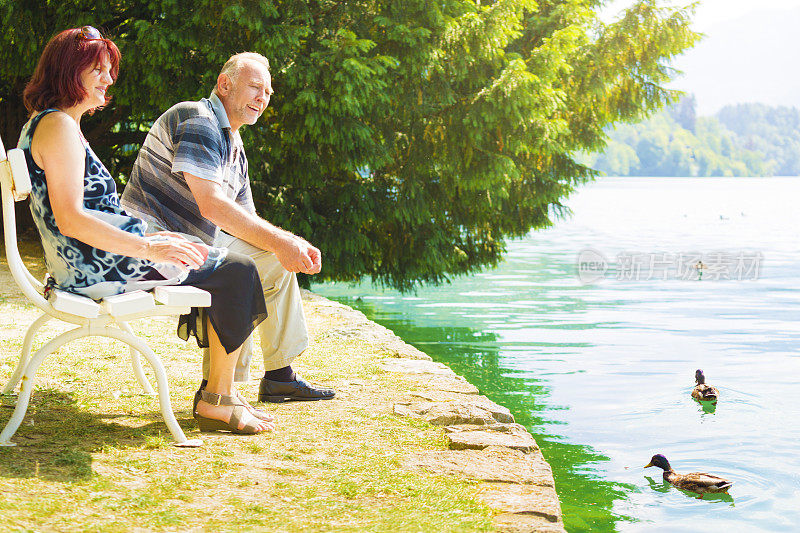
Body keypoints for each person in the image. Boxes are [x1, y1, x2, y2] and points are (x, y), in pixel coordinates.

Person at [18, 26, 273, 435]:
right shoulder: (60, 128)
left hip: (85, 262)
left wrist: (153, 241)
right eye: (98, 70)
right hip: (97, 266)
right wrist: (148, 246)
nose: (109, 79)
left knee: (214, 259)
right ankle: (217, 401)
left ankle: (223, 394)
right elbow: (71, 219)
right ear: (69, 72)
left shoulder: (47, 124)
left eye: (109, 70)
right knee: (238, 272)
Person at [121, 52, 335, 403]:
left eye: (267, 92)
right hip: (155, 245)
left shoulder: (234, 144)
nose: (262, 98)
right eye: (254, 87)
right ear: (225, 84)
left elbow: (244, 221)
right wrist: (284, 242)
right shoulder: (198, 119)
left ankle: (280, 376)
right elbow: (213, 205)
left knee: (272, 258)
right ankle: (220, 388)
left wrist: (287, 245)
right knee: (247, 265)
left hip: (191, 242)